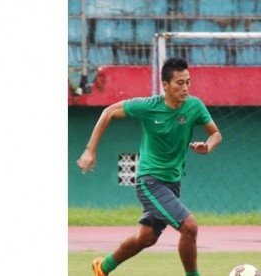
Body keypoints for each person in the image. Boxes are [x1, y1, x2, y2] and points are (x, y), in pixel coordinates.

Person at [76, 57, 222, 276]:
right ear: (165, 85)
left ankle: (103, 267)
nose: (185, 88)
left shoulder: (194, 106)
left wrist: (208, 146)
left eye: (188, 82)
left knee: (147, 237)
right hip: (149, 182)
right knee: (189, 226)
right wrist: (90, 150)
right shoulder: (148, 107)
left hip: (172, 183)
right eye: (179, 83)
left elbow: (216, 134)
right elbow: (108, 112)